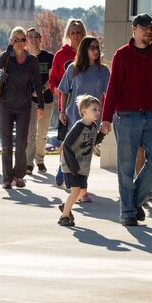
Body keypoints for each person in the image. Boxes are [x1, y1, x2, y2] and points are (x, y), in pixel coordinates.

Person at [102, 13, 152, 226]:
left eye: (151, 27)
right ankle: (127, 213)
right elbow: (112, 88)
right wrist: (106, 118)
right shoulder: (122, 55)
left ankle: (133, 202)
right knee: (126, 166)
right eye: (144, 27)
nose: (148, 30)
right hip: (126, 116)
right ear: (134, 29)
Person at [57, 35, 110, 202]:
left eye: (97, 47)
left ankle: (78, 184)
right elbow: (64, 90)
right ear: (84, 49)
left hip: (93, 118)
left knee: (85, 153)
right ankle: (77, 185)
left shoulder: (103, 71)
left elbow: (109, 94)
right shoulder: (73, 69)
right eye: (92, 47)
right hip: (74, 115)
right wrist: (62, 111)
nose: (95, 50)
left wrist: (107, 117)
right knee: (73, 149)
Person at [0, 26, 44, 189]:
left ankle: (19, 176)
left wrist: (41, 104)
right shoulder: (7, 57)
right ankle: (7, 178)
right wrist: (8, 49)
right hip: (6, 106)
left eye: (23, 39)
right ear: (11, 41)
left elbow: (37, 83)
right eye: (17, 39)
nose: (20, 42)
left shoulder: (32, 60)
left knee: (22, 143)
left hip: (24, 106)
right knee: (6, 143)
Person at [58, 95, 108, 226]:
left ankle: (66, 206)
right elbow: (67, 146)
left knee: (80, 193)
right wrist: (73, 166)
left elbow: (92, 142)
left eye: (99, 109)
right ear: (84, 111)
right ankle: (64, 217)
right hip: (72, 166)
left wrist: (101, 133)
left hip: (83, 167)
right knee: (75, 192)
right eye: (94, 109)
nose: (98, 112)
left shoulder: (93, 126)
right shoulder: (79, 127)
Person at [49, 18, 86, 186]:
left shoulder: (89, 54)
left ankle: (76, 175)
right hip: (66, 106)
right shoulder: (61, 55)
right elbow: (53, 80)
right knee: (66, 141)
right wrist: (56, 89)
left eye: (79, 32)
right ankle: (62, 168)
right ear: (68, 35)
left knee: (81, 143)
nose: (76, 36)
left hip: (86, 108)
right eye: (73, 33)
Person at [24, 27, 54, 175]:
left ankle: (40, 160)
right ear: (26, 40)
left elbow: (51, 77)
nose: (33, 39)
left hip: (46, 99)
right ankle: (29, 164)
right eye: (30, 37)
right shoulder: (23, 58)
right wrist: (31, 91)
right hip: (29, 101)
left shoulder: (49, 57)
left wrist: (42, 89)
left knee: (42, 133)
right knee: (30, 133)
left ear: (40, 39)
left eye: (36, 37)